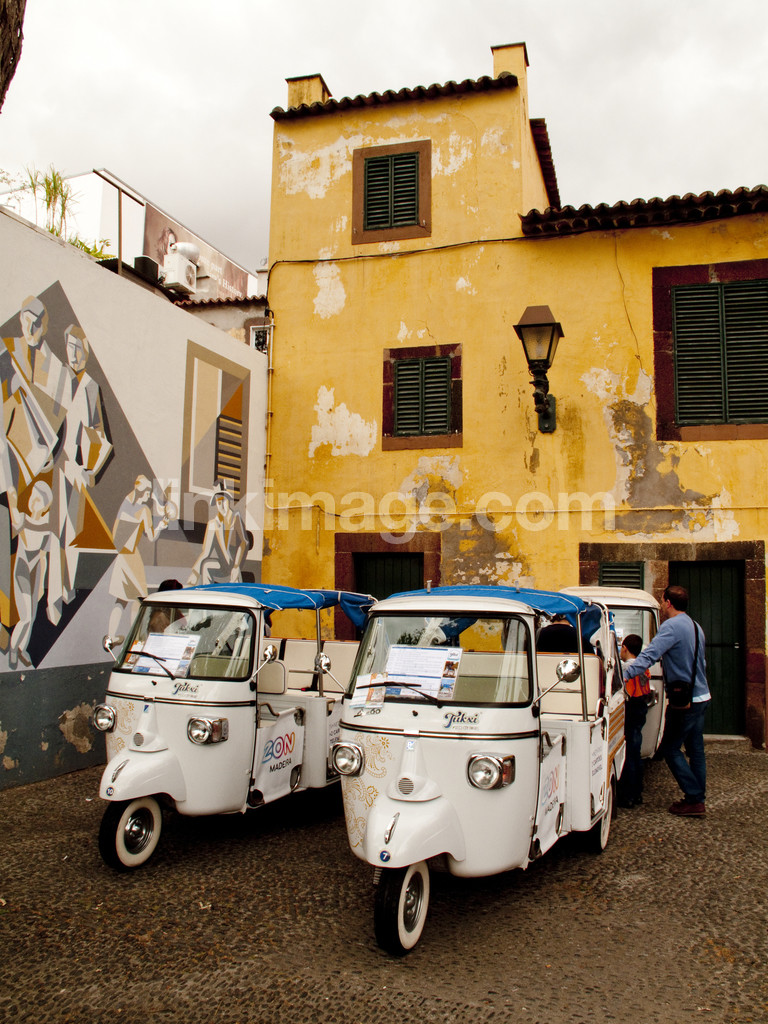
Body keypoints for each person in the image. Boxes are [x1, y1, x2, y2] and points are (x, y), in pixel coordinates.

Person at [623, 585, 710, 818]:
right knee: (696, 750)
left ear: (668, 603)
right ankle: (697, 798)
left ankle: (694, 798)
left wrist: (623, 675)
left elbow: (649, 656)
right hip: (702, 695)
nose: (661, 605)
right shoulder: (695, 626)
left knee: (670, 749)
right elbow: (701, 662)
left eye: (662, 601)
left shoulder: (671, 627)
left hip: (685, 700)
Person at [618, 633, 652, 809]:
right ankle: (637, 792)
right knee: (636, 751)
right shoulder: (643, 667)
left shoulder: (625, 668)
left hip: (630, 708)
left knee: (628, 752)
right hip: (641, 706)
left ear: (624, 648)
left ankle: (628, 795)